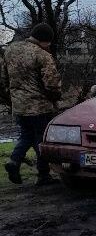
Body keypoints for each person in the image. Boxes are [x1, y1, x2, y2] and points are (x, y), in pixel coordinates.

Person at [0, 23, 62, 185]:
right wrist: (55, 97)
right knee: (41, 140)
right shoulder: (42, 55)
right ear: (45, 40)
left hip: (19, 105)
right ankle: (43, 176)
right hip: (40, 107)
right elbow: (52, 83)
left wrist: (13, 95)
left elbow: (4, 78)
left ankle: (14, 161)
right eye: (48, 42)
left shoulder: (10, 51)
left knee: (26, 135)